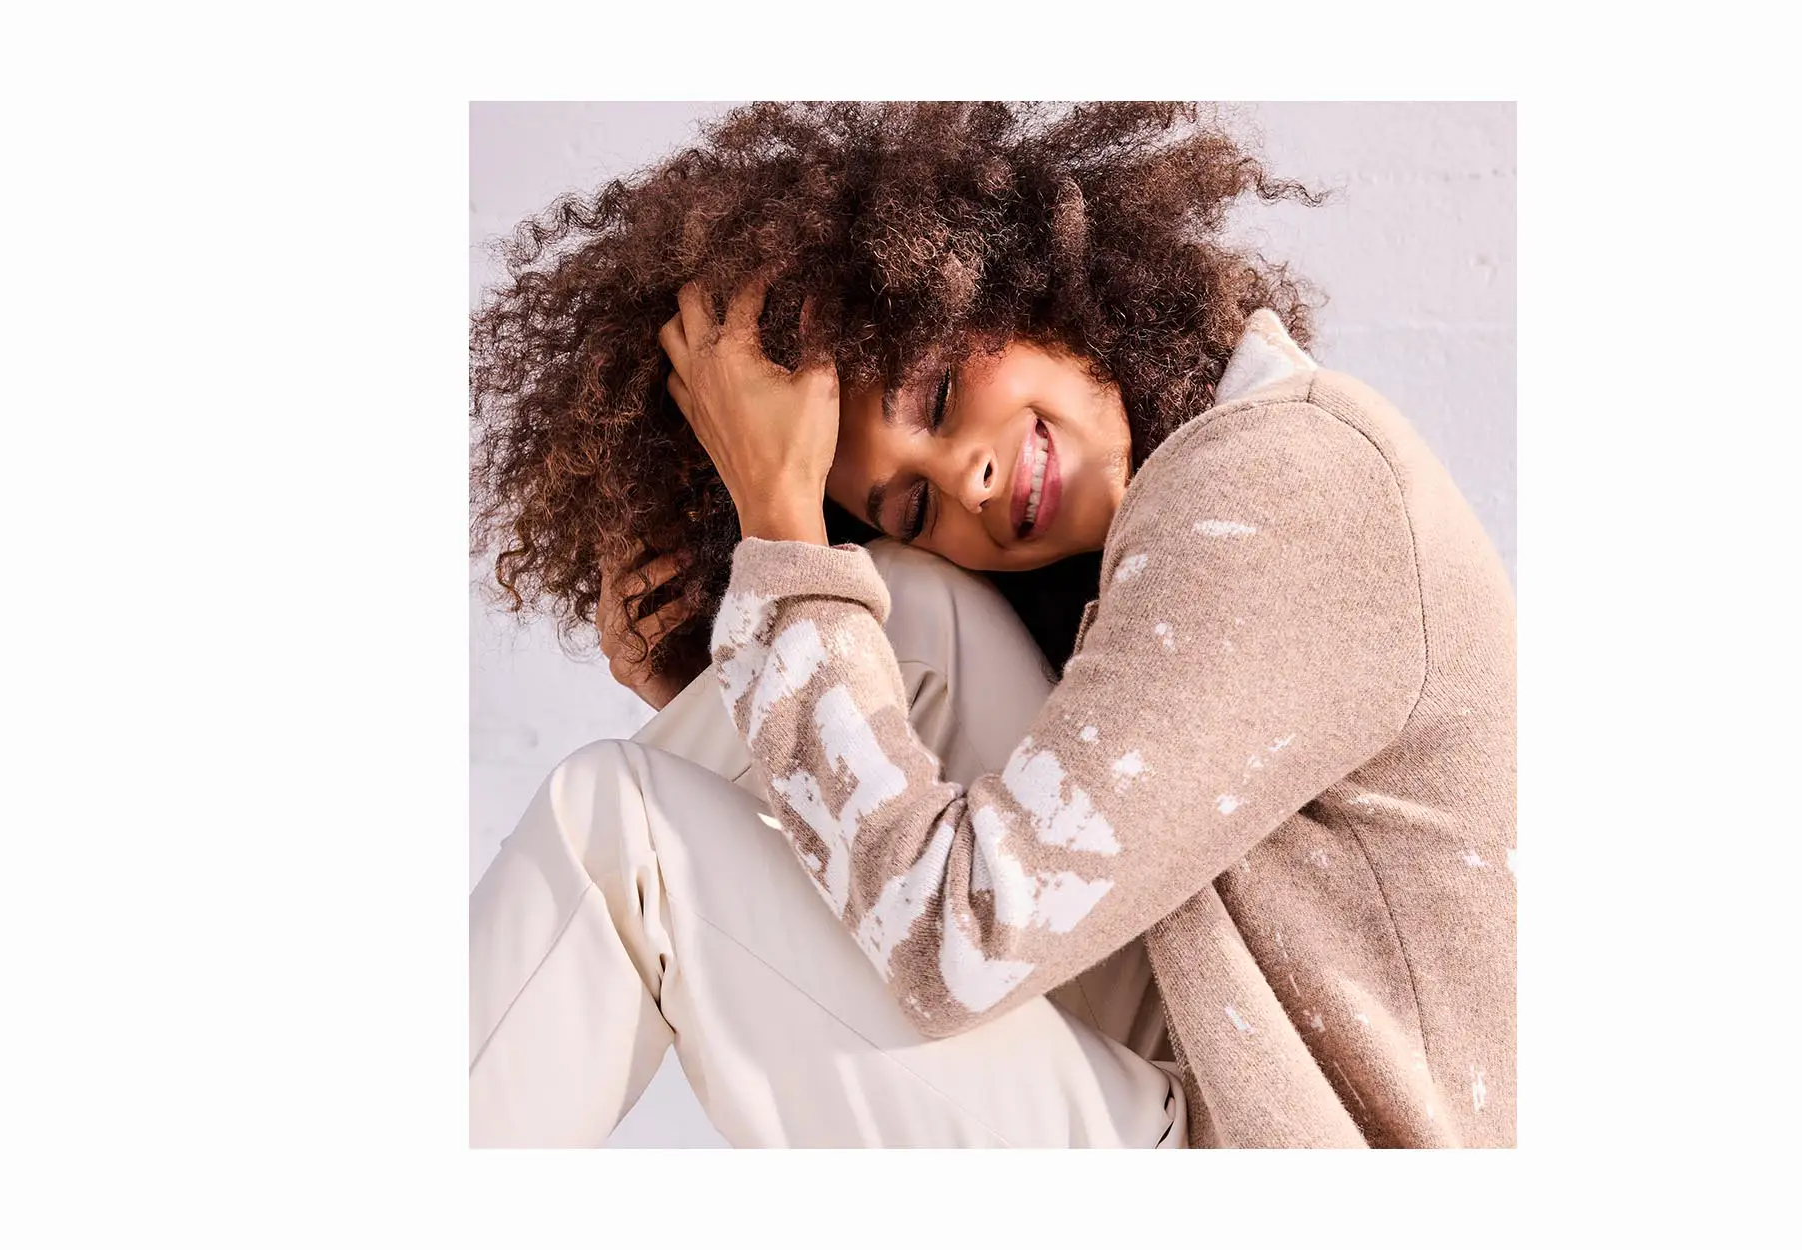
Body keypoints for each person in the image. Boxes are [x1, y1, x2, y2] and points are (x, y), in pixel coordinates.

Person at [469, 102, 1513, 1147]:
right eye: (914, 504)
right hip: (1214, 1066)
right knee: (908, 610)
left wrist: (781, 535)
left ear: (1019, 279)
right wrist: (733, 689)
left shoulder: (1284, 478)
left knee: (623, 826)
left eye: (934, 391)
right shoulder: (1192, 506)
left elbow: (957, 939)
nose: (964, 479)